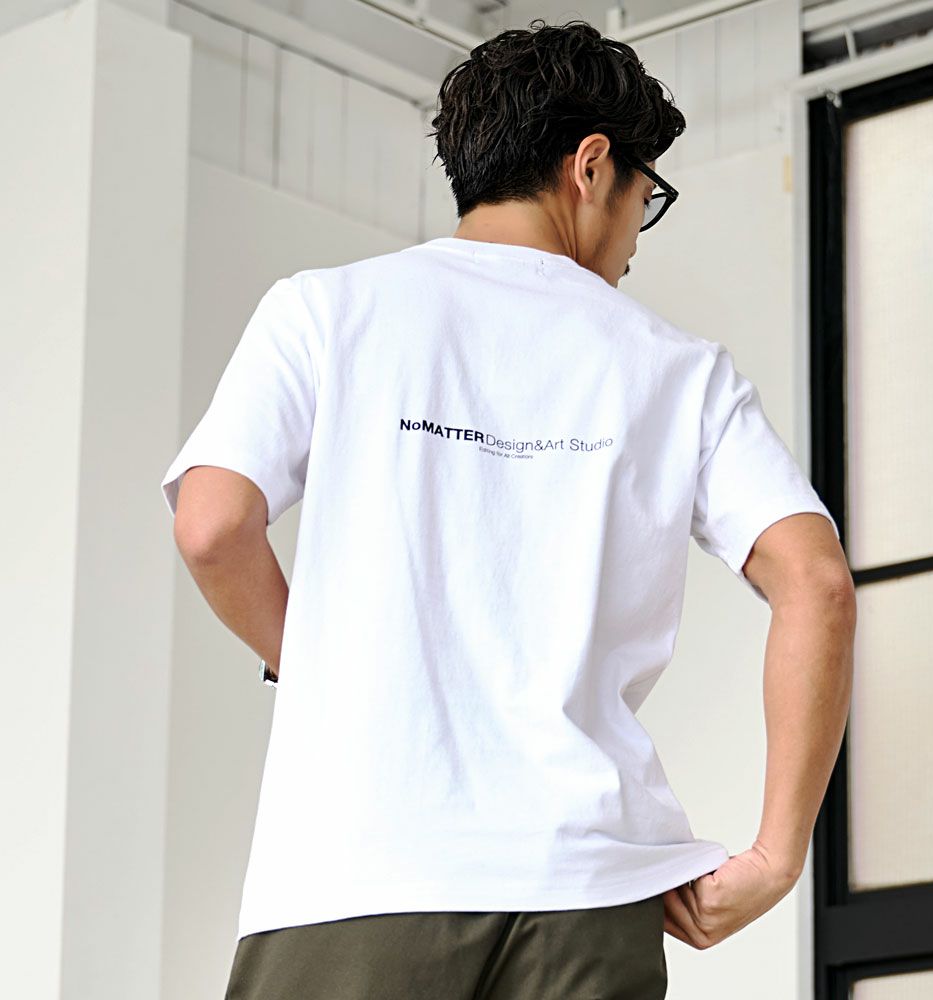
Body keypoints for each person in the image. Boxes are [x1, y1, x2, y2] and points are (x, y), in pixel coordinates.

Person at [161, 17, 855, 1000]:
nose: (635, 237)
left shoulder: (325, 310)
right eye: (645, 198)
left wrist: (318, 669)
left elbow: (211, 525)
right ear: (591, 166)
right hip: (587, 889)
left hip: (357, 870)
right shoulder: (678, 371)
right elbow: (818, 584)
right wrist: (777, 856)